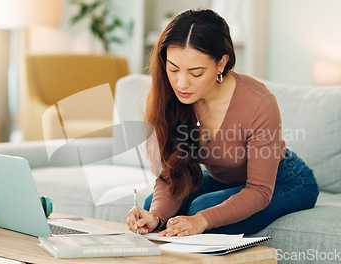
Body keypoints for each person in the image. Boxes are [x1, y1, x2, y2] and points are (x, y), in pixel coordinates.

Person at [126, 9, 319, 237]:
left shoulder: (258, 102)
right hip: (227, 181)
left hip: (285, 181)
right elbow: (172, 174)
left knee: (201, 210)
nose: (181, 83)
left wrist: (202, 220)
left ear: (221, 63)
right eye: (173, 69)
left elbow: (258, 190)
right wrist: (156, 216)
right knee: (152, 206)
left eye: (195, 73)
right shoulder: (170, 98)